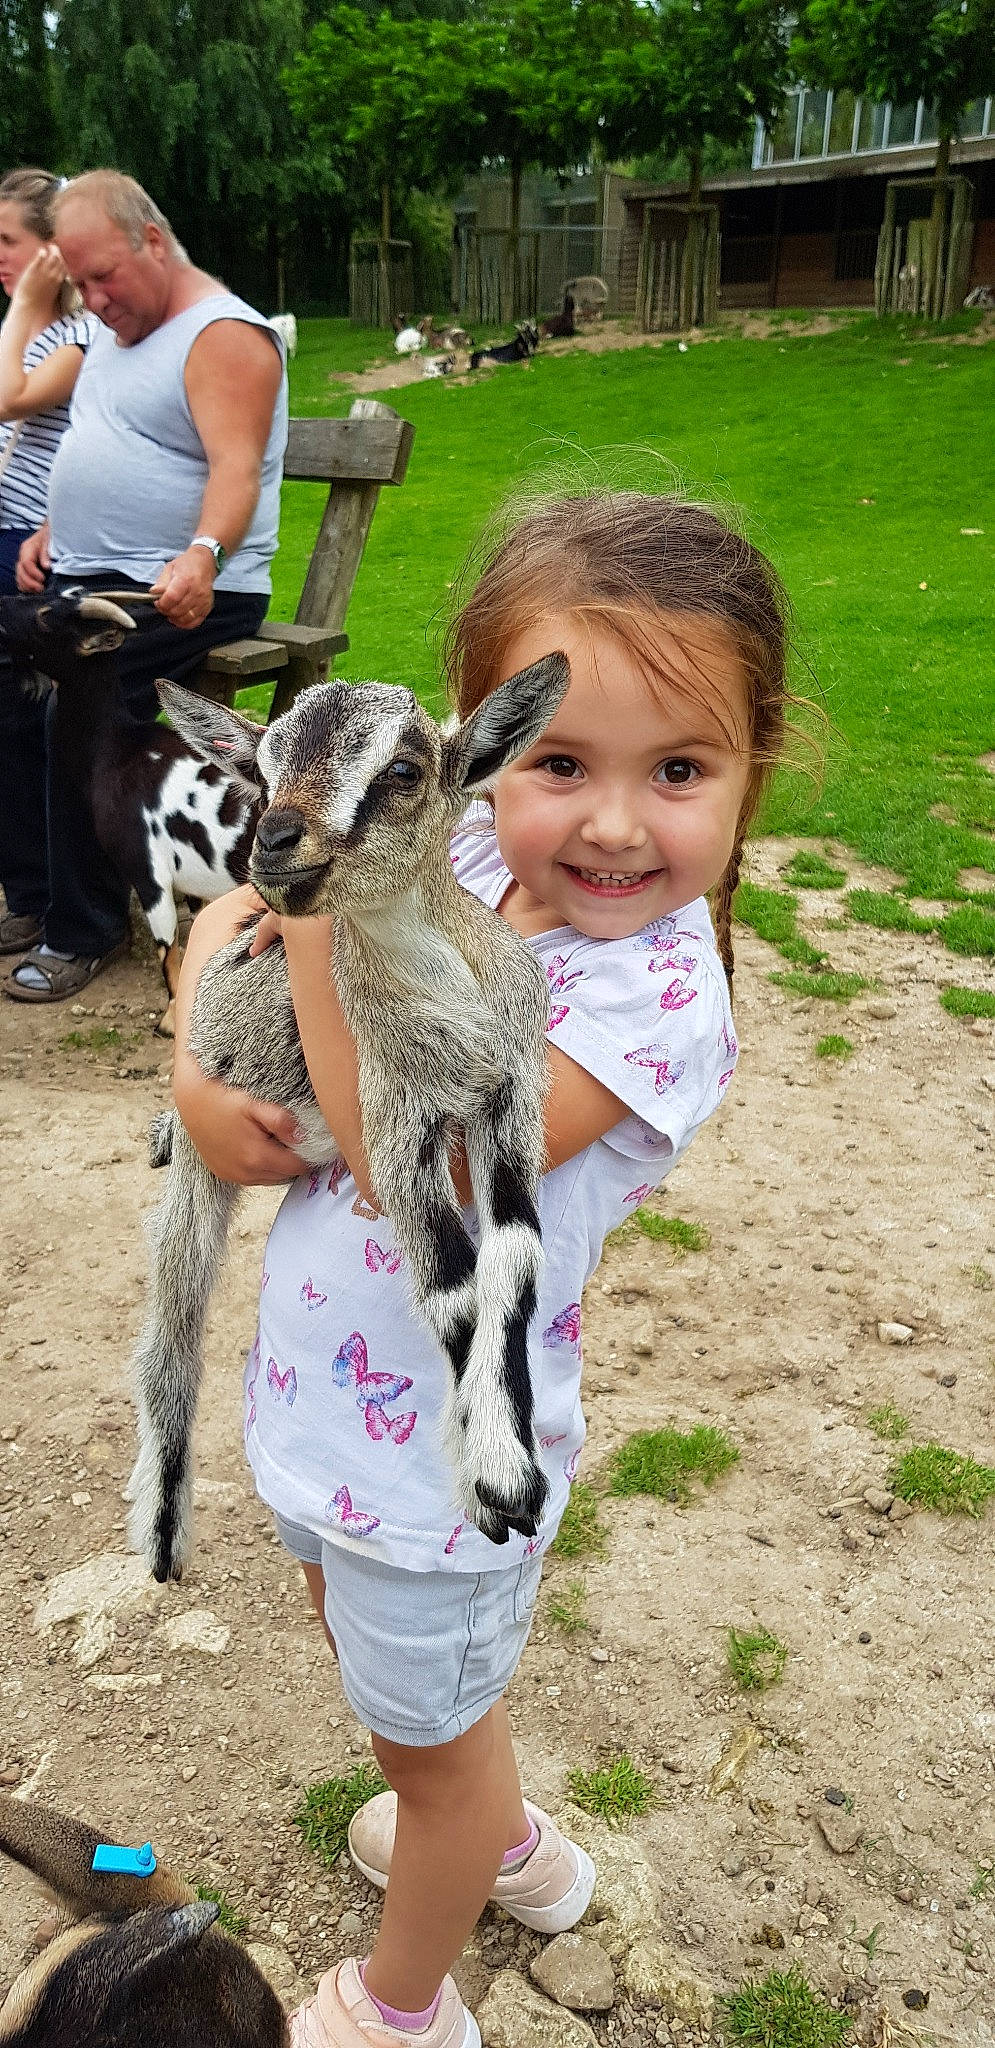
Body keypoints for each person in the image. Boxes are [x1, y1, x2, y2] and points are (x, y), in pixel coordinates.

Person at [171, 490, 794, 2048]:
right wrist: (197, 1072)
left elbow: (407, 1160)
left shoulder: (649, 1005)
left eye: (676, 771)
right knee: (404, 1705)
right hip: (328, 1410)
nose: (605, 823)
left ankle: (402, 2008)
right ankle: (508, 1847)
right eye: (559, 763)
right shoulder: (441, 827)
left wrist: (313, 914)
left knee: (427, 1741)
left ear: (748, 780)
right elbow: (225, 916)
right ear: (477, 749)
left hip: (442, 1474)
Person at [2, 167, 287, 1005]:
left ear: (152, 240)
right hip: (95, 571)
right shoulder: (117, 330)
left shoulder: (223, 335)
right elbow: (111, 437)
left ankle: (82, 931)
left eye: (103, 276)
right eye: (78, 281)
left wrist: (202, 552)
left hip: (184, 587)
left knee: (79, 683)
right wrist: (60, 527)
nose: (90, 298)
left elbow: (235, 470)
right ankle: (34, 889)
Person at [0, 167, 98, 957]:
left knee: (22, 720)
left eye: (10, 242)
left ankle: (39, 897)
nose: (1, 257)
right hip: (12, 542)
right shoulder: (36, 328)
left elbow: (7, 399)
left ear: (53, 254)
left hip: (33, 556)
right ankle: (28, 892)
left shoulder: (77, 334)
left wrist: (26, 307)